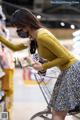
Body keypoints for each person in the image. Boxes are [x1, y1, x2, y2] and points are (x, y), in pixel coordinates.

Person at [0, 8, 80, 120]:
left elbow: (65, 57)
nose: (18, 30)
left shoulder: (42, 36)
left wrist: (43, 66)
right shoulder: (34, 37)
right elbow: (15, 47)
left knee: (58, 113)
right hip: (67, 71)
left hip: (72, 70)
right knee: (55, 109)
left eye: (19, 26)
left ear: (26, 23)